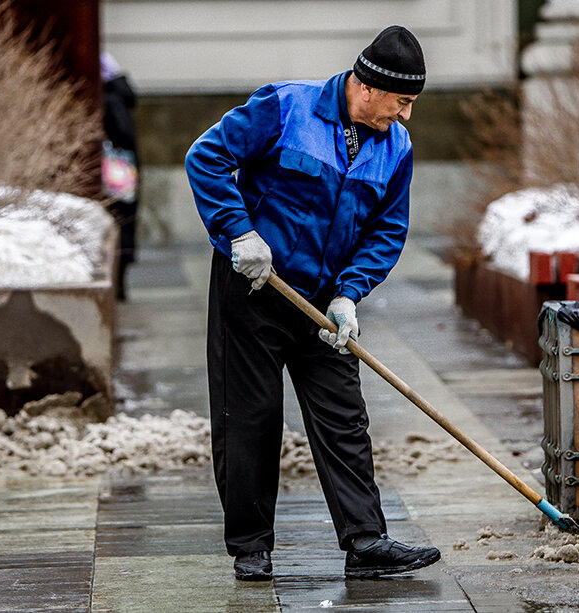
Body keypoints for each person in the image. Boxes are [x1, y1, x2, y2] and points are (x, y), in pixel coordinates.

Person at [185, 26, 441, 580]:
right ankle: (251, 546)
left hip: (323, 303)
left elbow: (386, 230)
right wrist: (238, 232)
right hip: (255, 285)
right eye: (402, 102)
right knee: (249, 417)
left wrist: (350, 294)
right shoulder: (285, 107)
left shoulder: (396, 147)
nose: (406, 116)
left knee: (343, 416)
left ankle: (366, 542)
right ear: (367, 88)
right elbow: (205, 157)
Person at [100, 52, 139, 301]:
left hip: (116, 171)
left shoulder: (109, 99)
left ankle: (120, 286)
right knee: (124, 221)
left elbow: (123, 135)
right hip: (125, 170)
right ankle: (121, 284)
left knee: (119, 221)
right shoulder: (119, 95)